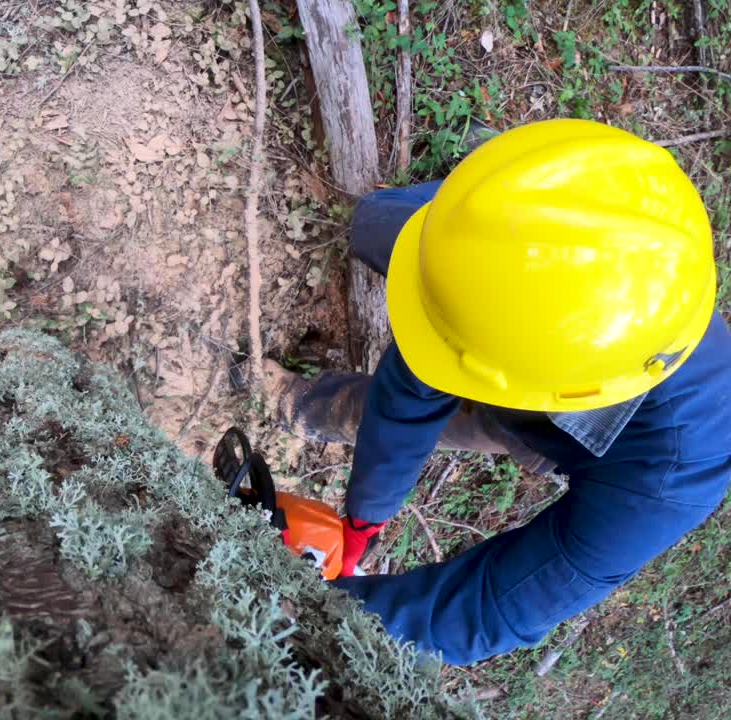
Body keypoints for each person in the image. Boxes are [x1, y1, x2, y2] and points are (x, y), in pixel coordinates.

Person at [265, 119, 731, 665]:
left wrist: (297, 619)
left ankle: (315, 407)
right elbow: (419, 372)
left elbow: (487, 607)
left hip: (566, 423)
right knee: (372, 224)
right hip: (502, 234)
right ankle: (337, 403)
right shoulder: (601, 210)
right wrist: (367, 513)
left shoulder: (668, 479)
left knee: (469, 412)